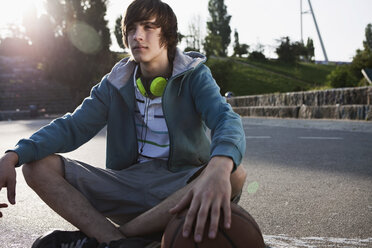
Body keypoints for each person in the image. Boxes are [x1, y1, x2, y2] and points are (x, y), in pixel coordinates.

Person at [0, 0, 247, 247]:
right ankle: (122, 240)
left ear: (168, 36)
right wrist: (13, 155)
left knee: (234, 173)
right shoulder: (115, 83)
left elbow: (225, 118)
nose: (138, 36)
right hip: (127, 185)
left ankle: (115, 239)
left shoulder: (193, 75)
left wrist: (218, 167)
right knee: (36, 167)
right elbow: (73, 127)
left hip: (181, 187)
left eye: (149, 27)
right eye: (131, 28)